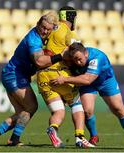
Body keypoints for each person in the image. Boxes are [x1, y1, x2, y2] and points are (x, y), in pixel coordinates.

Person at [0, 12, 62, 146]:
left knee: (22, 113)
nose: (44, 31)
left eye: (48, 29)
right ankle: (11, 139)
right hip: (14, 75)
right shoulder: (34, 39)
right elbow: (39, 62)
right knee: (31, 106)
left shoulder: (45, 36)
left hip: (14, 74)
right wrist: (61, 56)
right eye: (42, 27)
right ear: (38, 24)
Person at [50, 42, 124, 147]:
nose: (77, 62)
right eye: (74, 59)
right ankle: (94, 136)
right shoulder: (72, 56)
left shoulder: (97, 57)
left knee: (119, 109)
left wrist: (65, 79)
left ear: (86, 54)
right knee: (87, 111)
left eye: (79, 59)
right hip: (86, 84)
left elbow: (88, 79)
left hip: (105, 81)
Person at [37, 6, 93, 148]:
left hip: (43, 76)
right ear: (71, 18)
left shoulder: (48, 29)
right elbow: (77, 52)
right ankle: (80, 137)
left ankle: (53, 128)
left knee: (59, 111)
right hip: (59, 74)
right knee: (77, 105)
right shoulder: (68, 33)